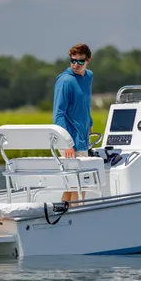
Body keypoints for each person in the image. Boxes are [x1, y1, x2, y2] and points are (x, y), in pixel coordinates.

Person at [53, 43, 93, 205]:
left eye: (80, 61)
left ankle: (65, 214)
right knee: (78, 183)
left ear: (88, 60)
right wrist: (66, 143)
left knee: (73, 186)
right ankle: (77, 215)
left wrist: (89, 122)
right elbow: (58, 114)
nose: (76, 65)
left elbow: (85, 102)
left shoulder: (88, 76)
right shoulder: (65, 81)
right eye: (72, 61)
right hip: (69, 140)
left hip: (82, 136)